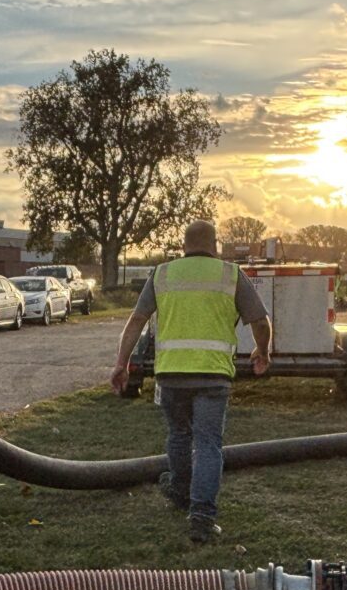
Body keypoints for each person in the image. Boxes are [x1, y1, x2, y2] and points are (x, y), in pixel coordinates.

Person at [110, 220, 272, 543]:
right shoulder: (230, 275)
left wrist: (121, 363)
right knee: (208, 443)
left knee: (179, 436)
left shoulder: (162, 274)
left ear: (184, 244)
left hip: (170, 375)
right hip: (213, 376)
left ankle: (181, 493)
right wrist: (262, 351)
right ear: (215, 245)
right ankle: (201, 516)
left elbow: (136, 321)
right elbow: (260, 320)